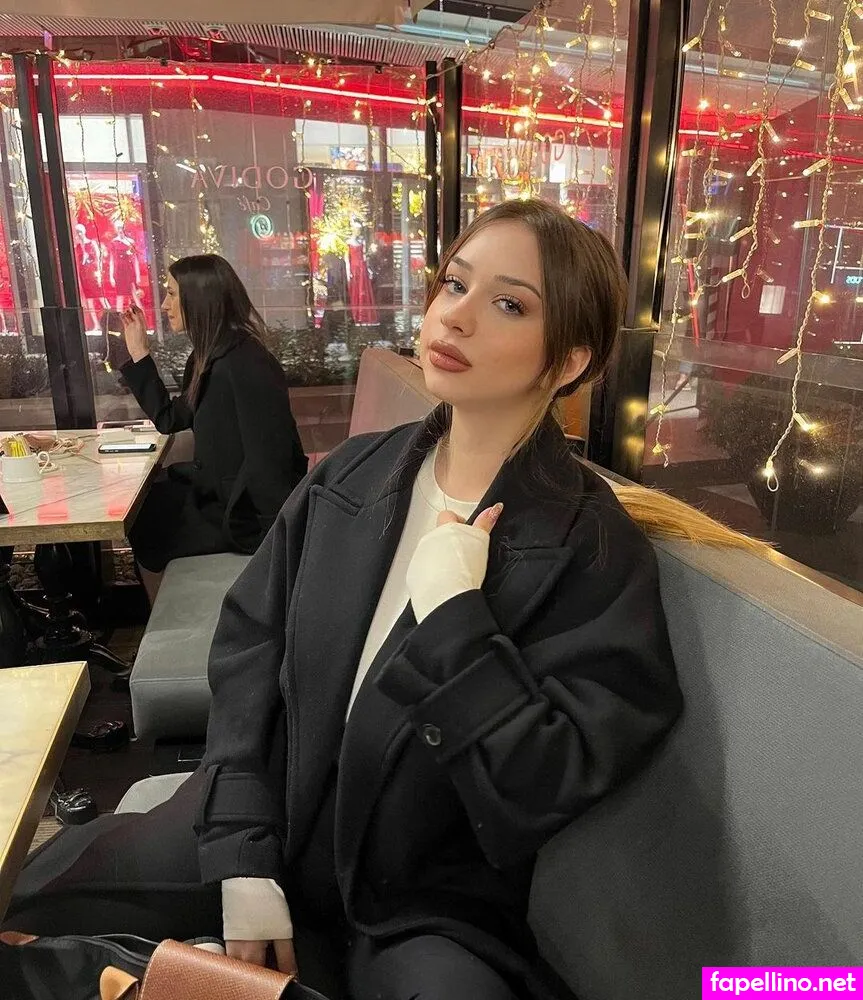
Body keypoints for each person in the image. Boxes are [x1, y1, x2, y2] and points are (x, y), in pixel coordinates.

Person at [4, 201, 766, 999]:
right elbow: (250, 651)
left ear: (569, 359)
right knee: (35, 892)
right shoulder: (350, 476)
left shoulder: (591, 547)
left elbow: (542, 785)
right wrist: (241, 853)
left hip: (419, 904)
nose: (455, 317)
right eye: (454, 286)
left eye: (508, 304)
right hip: (265, 817)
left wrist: (453, 617)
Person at [119, 254, 307, 603]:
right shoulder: (208, 356)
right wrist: (140, 354)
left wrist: (277, 544)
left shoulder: (247, 363)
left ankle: (171, 617)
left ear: (199, 298)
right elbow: (170, 419)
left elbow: (271, 459)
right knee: (144, 505)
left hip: (240, 516)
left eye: (171, 294)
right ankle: (160, 615)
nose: (164, 305)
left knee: (147, 521)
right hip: (214, 494)